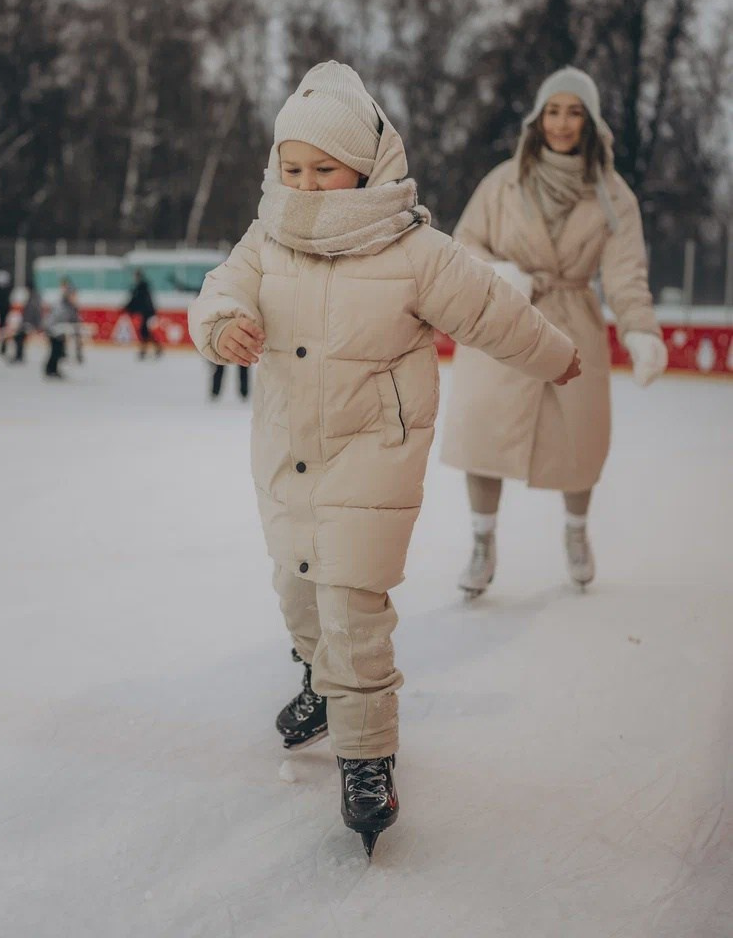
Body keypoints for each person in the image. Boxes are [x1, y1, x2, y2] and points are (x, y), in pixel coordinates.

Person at [188, 61, 580, 855]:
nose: (305, 183)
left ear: (365, 166)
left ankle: (367, 756)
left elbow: (491, 310)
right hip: (287, 448)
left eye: (323, 169)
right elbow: (219, 288)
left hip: (374, 449)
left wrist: (554, 355)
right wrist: (222, 323)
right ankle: (317, 681)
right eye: (291, 168)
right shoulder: (266, 239)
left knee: (351, 602)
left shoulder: (412, 248)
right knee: (297, 588)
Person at [441, 67, 668, 597]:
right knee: (484, 431)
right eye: (553, 111)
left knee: (579, 438)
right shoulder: (502, 182)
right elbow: (462, 245)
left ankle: (576, 533)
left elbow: (627, 273)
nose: (562, 123)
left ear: (590, 121)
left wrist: (640, 330)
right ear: (537, 118)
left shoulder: (613, 194)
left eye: (573, 112)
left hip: (572, 321)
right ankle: (481, 543)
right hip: (505, 317)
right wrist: (505, 275)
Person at [44, 280, 82, 379]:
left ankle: (53, 369)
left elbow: (74, 319)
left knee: (58, 350)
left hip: (60, 332)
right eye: (73, 295)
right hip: (53, 331)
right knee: (55, 351)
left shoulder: (70, 306)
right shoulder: (62, 306)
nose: (75, 297)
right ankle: (50, 369)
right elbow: (58, 319)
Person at [122, 269, 163, 360]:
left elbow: (137, 300)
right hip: (147, 312)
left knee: (144, 332)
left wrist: (128, 308)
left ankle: (147, 350)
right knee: (145, 332)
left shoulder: (141, 287)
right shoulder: (141, 286)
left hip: (147, 313)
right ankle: (153, 349)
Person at [13, 288, 43, 363]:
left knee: (19, 337)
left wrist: (36, 327)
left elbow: (35, 318)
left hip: (30, 325)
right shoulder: (32, 304)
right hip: (27, 325)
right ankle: (18, 355)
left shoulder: (32, 305)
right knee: (18, 337)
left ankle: (19, 356)